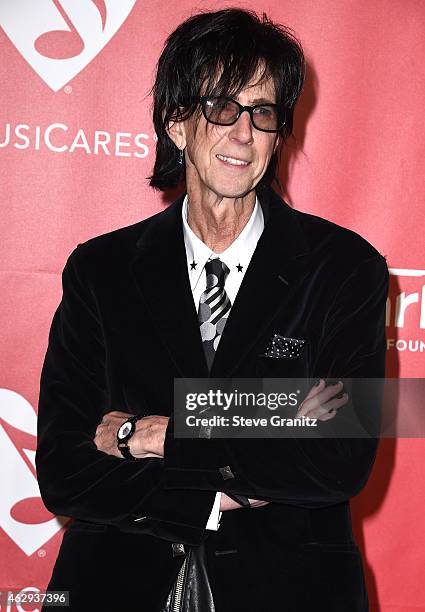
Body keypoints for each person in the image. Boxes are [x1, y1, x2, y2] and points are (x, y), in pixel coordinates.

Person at [36, 8, 389, 612]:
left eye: (263, 112)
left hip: (290, 590)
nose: (243, 134)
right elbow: (65, 469)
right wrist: (217, 484)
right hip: (117, 582)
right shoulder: (101, 269)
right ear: (176, 122)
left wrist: (159, 434)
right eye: (221, 107)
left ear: (281, 131)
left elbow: (338, 459)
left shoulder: (344, 268)